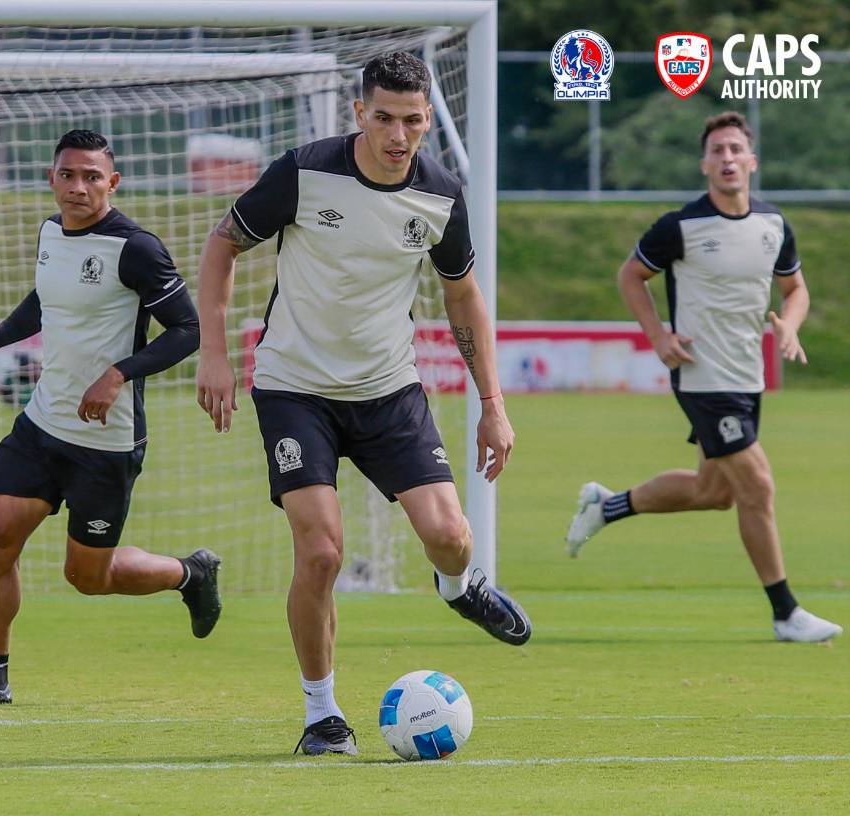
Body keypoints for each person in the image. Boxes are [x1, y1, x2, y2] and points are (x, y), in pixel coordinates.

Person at [195, 52, 532, 756]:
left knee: (450, 536)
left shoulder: (440, 193)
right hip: (294, 389)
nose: (399, 134)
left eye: (413, 121)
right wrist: (217, 353)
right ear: (359, 114)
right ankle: (322, 716)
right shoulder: (303, 170)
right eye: (384, 118)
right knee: (321, 552)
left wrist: (493, 402)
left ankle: (459, 587)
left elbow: (462, 293)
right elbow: (222, 246)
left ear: (427, 120)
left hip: (388, 391)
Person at [0, 129, 221, 706]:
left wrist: (118, 374)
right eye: (68, 175)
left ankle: (189, 574)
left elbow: (189, 331)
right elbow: (47, 298)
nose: (79, 187)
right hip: (42, 425)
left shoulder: (136, 248)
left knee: (87, 578)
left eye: (92, 177)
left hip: (104, 443)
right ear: (53, 179)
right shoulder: (50, 232)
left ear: (112, 183)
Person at [565, 111, 841, 644]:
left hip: (747, 378)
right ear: (705, 164)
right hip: (702, 377)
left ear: (752, 161)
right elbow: (631, 275)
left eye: (736, 149)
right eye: (718, 151)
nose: (728, 158)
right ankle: (786, 612)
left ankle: (607, 505)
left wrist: (792, 325)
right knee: (757, 487)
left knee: (715, 491)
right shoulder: (680, 227)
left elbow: (796, 289)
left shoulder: (774, 226)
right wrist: (658, 335)